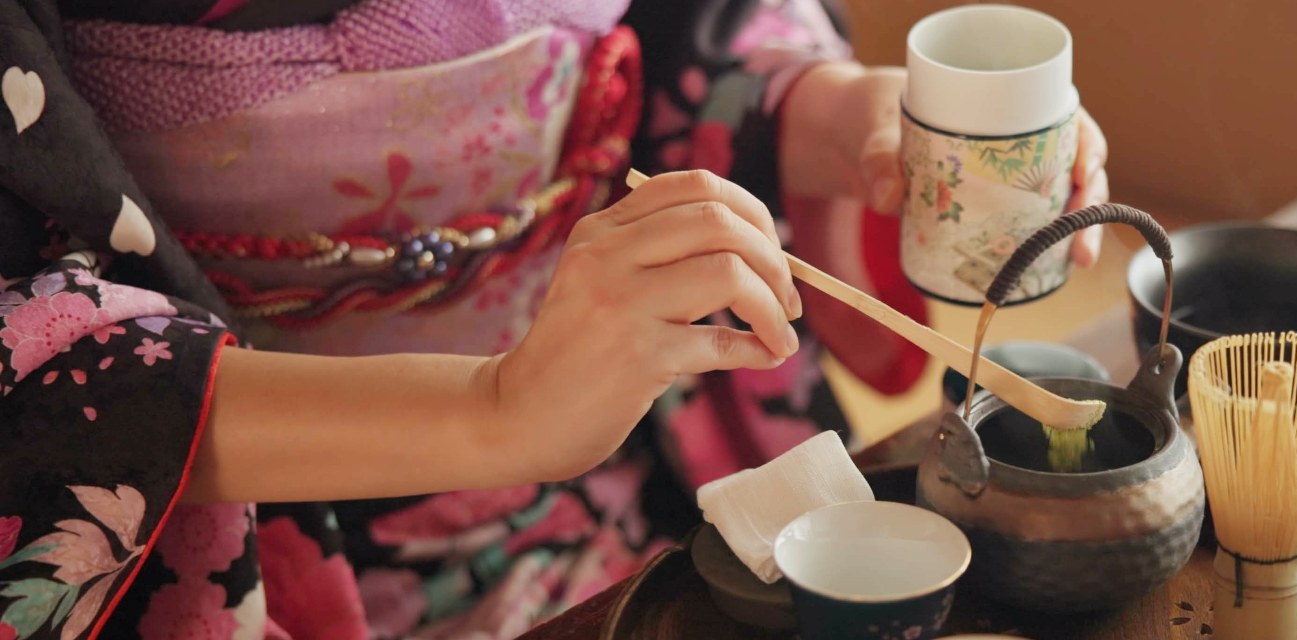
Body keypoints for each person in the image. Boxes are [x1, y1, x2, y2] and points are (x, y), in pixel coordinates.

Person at [0, 0, 1111, 637]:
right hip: (267, 534)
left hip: (636, 466)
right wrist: (496, 407)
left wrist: (831, 118)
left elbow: (672, 31)